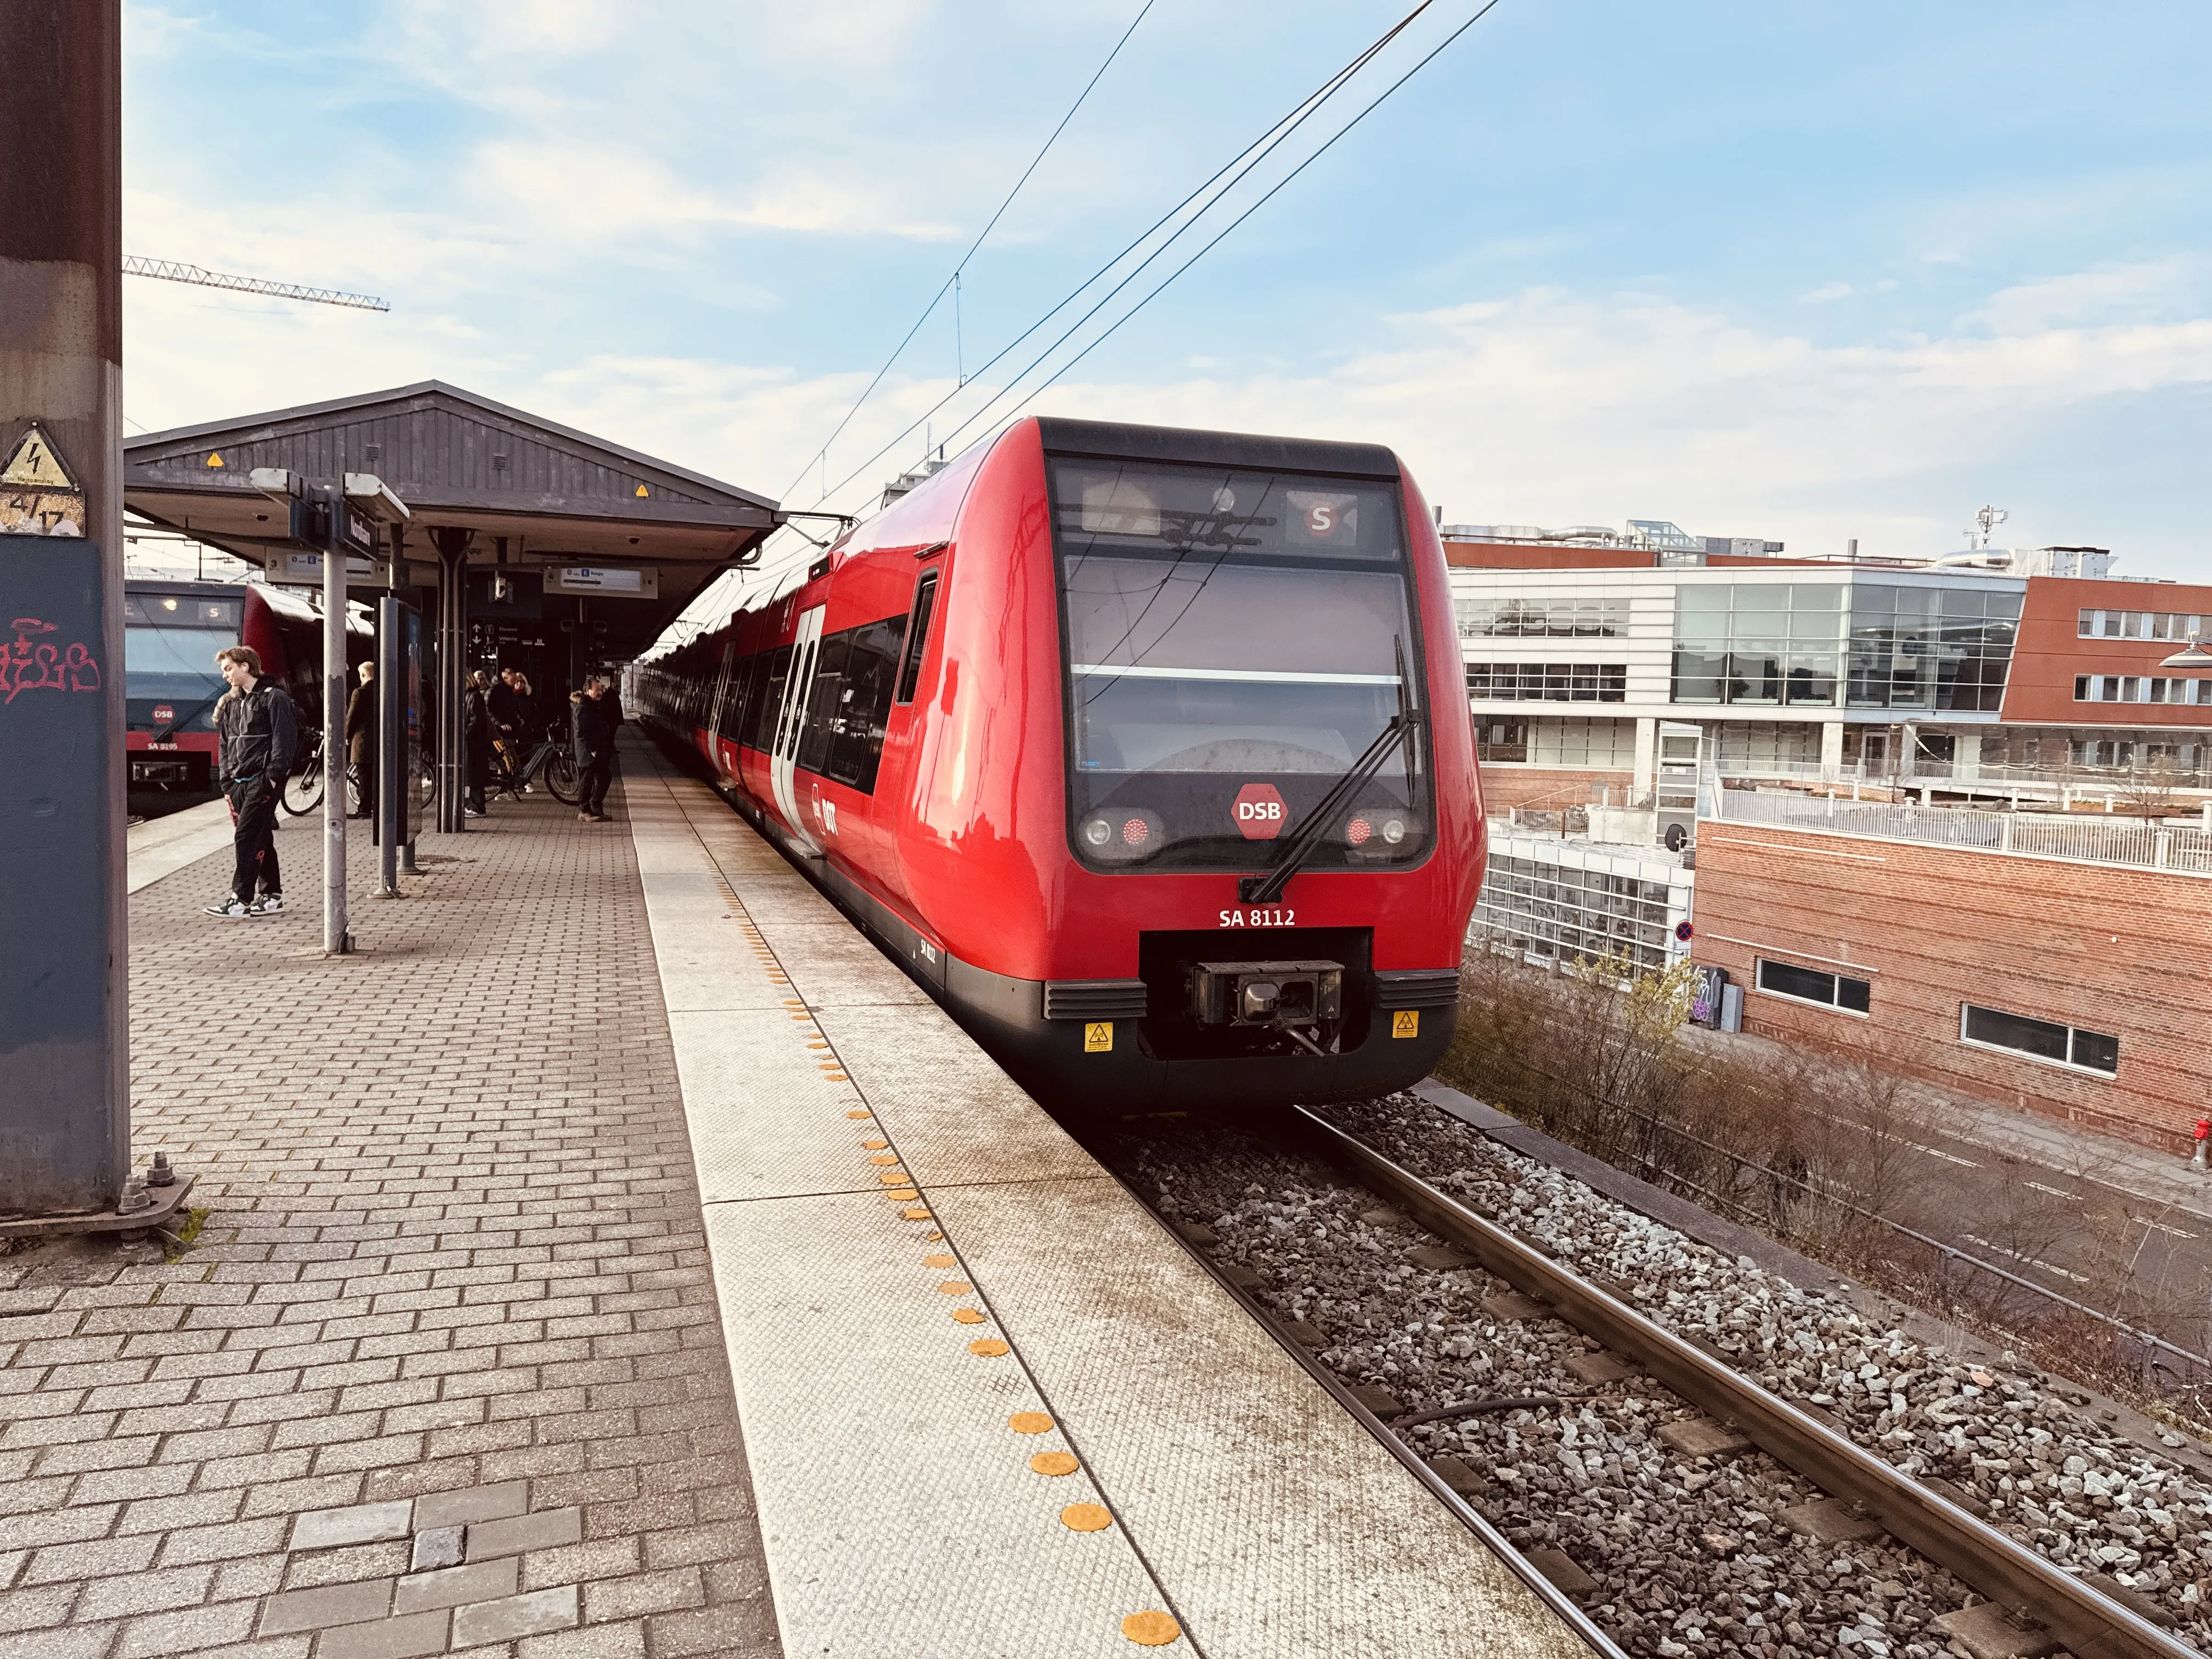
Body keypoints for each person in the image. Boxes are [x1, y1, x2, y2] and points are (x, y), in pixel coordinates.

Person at [207, 645, 298, 919]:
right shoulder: (232, 703)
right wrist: (226, 782)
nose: (225, 676)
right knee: (260, 836)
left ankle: (240, 899)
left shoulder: (274, 699)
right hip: (238, 782)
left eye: (228, 668)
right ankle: (271, 896)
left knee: (245, 836)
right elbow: (225, 744)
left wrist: (272, 778)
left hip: (261, 781)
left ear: (245, 666)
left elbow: (285, 741)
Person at [572, 676, 614, 822]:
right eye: (596, 690)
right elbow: (581, 732)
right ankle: (584, 811)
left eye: (601, 690)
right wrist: (592, 749)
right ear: (588, 690)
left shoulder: (592, 706)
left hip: (596, 750)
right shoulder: (583, 707)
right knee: (587, 781)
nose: (600, 693)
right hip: (588, 752)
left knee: (605, 777)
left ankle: (596, 807)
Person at [345, 660, 376, 821]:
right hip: (380, 741)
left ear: (363, 675)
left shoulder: (359, 693)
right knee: (376, 776)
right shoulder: (382, 690)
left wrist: (347, 735)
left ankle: (364, 809)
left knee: (363, 776)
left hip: (363, 742)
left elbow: (352, 718)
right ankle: (377, 807)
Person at [463, 670, 494, 816]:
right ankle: (474, 804)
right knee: (473, 775)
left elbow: (477, 721)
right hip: (474, 742)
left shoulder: (474, 697)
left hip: (474, 743)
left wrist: (466, 733)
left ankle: (478, 806)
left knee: (475, 775)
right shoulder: (473, 696)